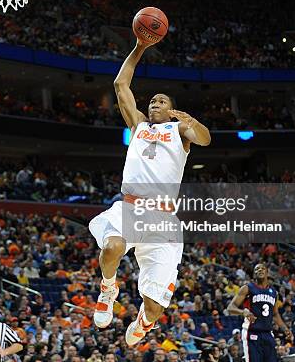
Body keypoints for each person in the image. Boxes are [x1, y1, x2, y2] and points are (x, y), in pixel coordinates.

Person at [89, 39, 211, 346]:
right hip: (131, 207)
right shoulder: (139, 126)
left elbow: (206, 139)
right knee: (112, 247)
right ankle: (108, 290)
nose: (154, 104)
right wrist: (140, 46)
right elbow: (120, 84)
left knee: (156, 308)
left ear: (170, 110)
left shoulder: (179, 131)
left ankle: (144, 321)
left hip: (163, 220)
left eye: (160, 101)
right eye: (152, 101)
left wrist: (189, 120)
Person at [227, 263, 292, 362]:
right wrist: (243, 312)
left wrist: (285, 328)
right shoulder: (247, 288)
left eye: (262, 268)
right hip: (251, 332)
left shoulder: (274, 292)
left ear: (267, 273)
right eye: (257, 269)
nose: (260, 270)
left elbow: (275, 314)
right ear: (254, 274)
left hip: (268, 333)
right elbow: (230, 307)